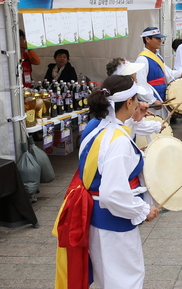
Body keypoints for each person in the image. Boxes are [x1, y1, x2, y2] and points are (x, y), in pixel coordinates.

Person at [54, 75, 160, 289]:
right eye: (136, 99)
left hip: (95, 217)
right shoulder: (118, 141)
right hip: (114, 221)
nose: (140, 103)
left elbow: (116, 134)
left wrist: (134, 119)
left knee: (107, 277)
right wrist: (142, 210)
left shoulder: (96, 126)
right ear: (128, 102)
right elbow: (113, 194)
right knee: (125, 280)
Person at [135, 27, 182, 109]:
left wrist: (181, 74)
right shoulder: (142, 59)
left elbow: (167, 73)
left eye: (160, 38)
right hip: (152, 99)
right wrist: (152, 101)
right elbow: (140, 84)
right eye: (157, 38)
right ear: (147, 39)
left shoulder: (158, 56)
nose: (160, 40)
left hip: (161, 96)